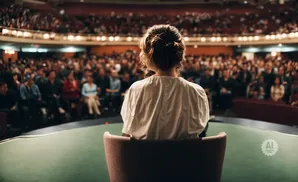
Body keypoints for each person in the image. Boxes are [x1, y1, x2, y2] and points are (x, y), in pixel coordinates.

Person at [121, 25, 209, 140]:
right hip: (185, 158)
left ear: (149, 56)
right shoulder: (197, 92)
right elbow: (200, 132)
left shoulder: (136, 89)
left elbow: (127, 133)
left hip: (144, 157)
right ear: (180, 55)